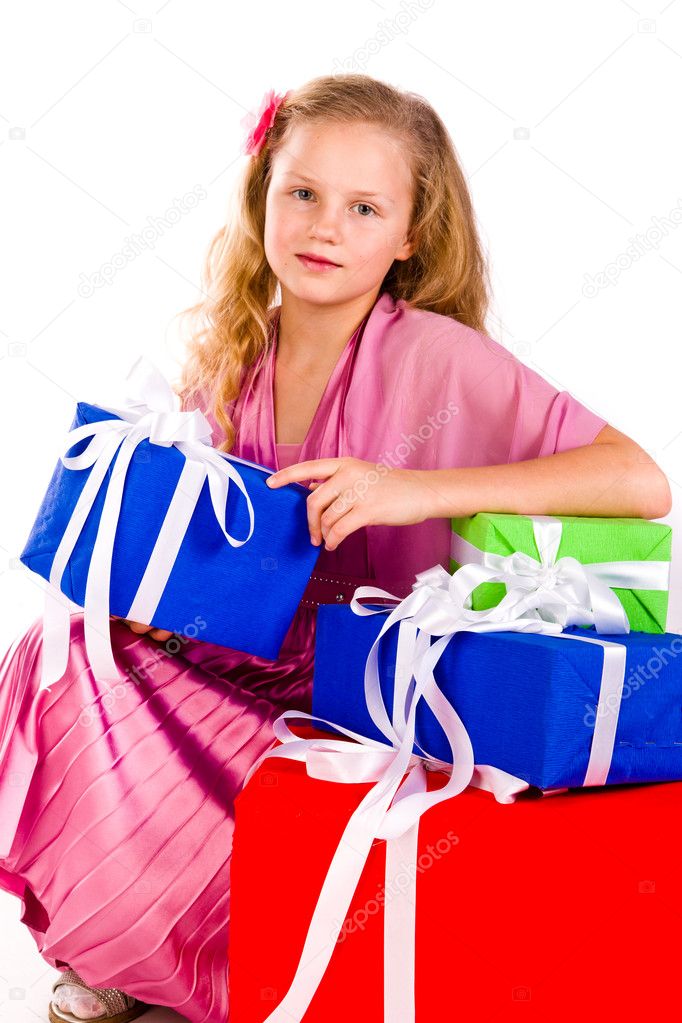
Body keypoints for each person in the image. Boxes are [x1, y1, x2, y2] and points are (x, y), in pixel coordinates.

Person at [0, 73, 670, 1023]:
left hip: (366, 693)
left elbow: (640, 479)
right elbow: (209, 568)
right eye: (303, 193)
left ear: (407, 237)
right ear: (262, 196)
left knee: (89, 661)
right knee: (66, 645)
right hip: (247, 669)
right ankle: (130, 947)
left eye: (364, 208)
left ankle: (244, 953)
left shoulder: (435, 355)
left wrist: (416, 492)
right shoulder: (229, 351)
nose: (324, 226)